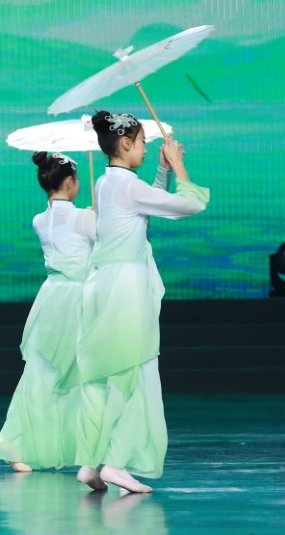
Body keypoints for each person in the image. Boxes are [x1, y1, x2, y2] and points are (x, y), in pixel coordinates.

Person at [76, 111, 208, 494]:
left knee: (115, 373)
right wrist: (179, 165)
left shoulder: (107, 182)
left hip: (107, 284)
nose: (147, 149)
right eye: (142, 142)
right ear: (125, 143)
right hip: (127, 288)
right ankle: (116, 462)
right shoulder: (128, 188)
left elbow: (147, 204)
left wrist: (163, 171)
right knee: (136, 372)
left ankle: (92, 462)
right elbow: (188, 206)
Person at [0, 152, 93, 475]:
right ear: (70, 182)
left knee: (40, 373)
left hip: (51, 298)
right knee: (81, 373)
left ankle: (18, 444)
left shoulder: (41, 219)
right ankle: (82, 447)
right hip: (78, 297)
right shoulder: (83, 218)